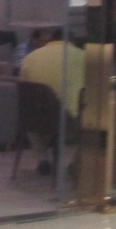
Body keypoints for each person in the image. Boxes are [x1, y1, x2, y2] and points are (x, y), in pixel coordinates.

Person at [19, 29, 85, 175]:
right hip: (67, 119)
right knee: (91, 122)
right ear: (73, 41)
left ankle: (42, 159)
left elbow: (23, 86)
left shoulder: (30, 57)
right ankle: (75, 163)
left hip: (34, 119)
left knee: (34, 125)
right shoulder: (82, 56)